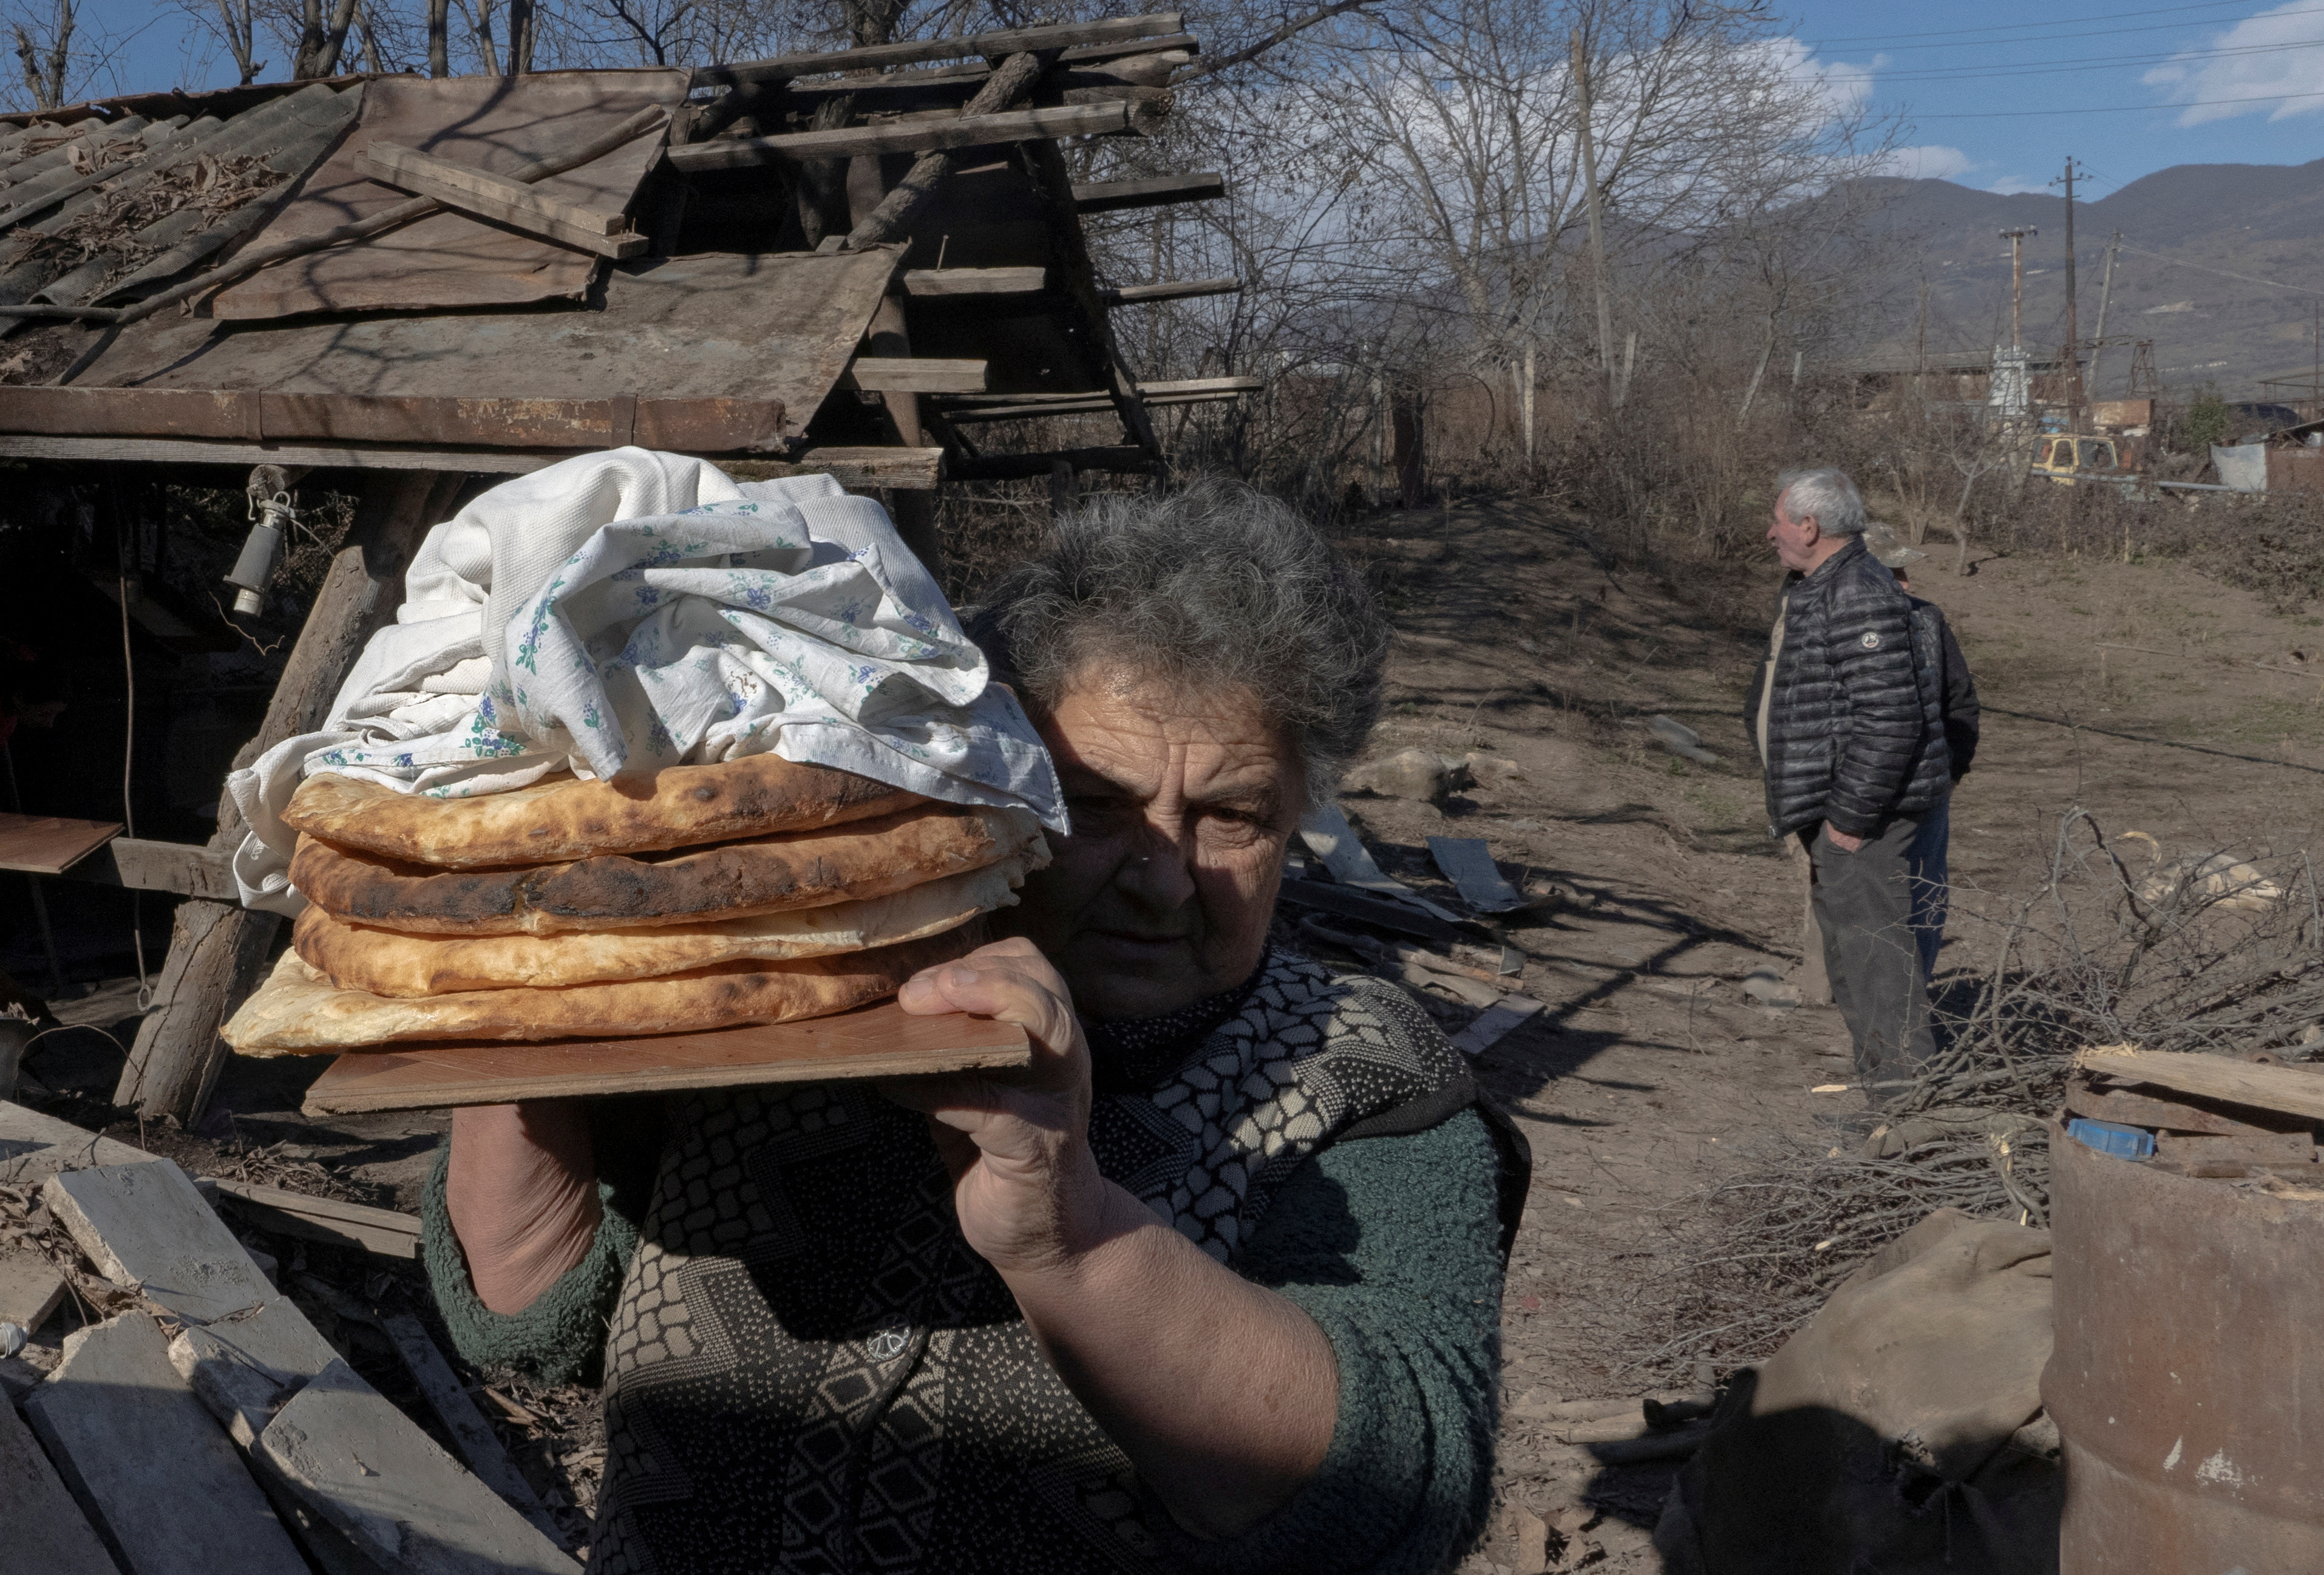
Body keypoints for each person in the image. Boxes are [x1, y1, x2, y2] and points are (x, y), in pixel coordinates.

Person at [422, 479, 1530, 1574]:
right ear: (994, 777)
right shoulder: (795, 980)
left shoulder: (1366, 1078)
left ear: (1296, 823)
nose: (1158, 877)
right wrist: (525, 985)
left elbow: (1397, 1497)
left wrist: (1071, 1228)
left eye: (1231, 815)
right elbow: (529, 1316)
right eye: (1096, 803)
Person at [1754, 470, 1951, 1095]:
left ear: (1809, 527)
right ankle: (1884, 1099)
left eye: (1779, 522)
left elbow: (1892, 716)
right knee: (1854, 966)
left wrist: (1849, 817)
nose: (1772, 533)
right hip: (1839, 812)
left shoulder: (1858, 593)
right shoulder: (1823, 587)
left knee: (1878, 970)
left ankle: (1906, 1116)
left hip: (1866, 822)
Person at [1861, 525, 1981, 985]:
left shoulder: (1929, 621)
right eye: (1894, 572)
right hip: (1856, 794)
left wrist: (1952, 772)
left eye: (1905, 570)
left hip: (1925, 789)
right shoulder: (1820, 624)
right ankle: (1864, 994)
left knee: (1925, 898)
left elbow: (1961, 704)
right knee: (1861, 899)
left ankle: (1910, 995)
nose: (1907, 582)